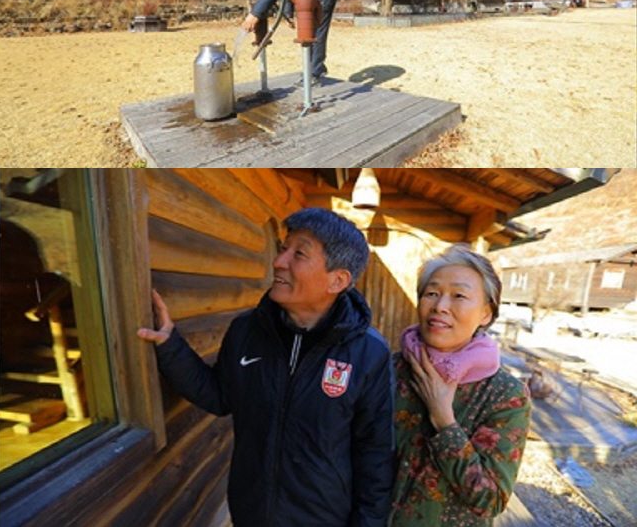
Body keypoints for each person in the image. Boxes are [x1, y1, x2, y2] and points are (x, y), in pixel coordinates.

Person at [138, 207, 394, 527]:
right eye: (283, 248)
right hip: (251, 514)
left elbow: (375, 453)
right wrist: (170, 346)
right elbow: (220, 396)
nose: (278, 261)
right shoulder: (247, 331)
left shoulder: (368, 352)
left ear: (337, 280)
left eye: (298, 253)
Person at [390, 245, 531, 527]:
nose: (440, 306)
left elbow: (491, 500)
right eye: (431, 293)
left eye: (459, 296)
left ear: (486, 314)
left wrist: (444, 421)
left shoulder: (504, 395)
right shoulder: (390, 369)